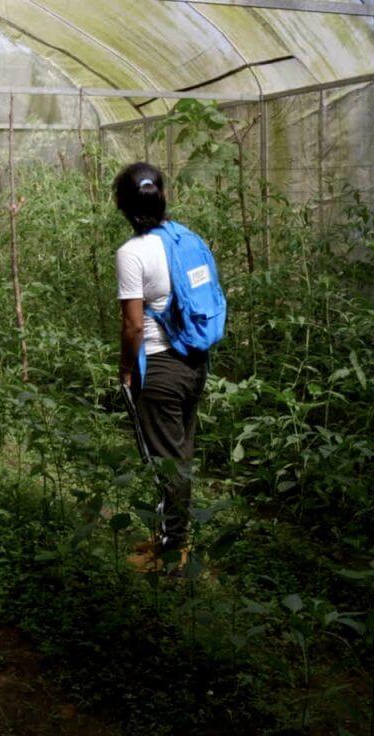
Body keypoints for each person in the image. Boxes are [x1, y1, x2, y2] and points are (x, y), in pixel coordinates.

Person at [114, 162, 210, 564]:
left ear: (121, 204)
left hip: (159, 368)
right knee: (180, 456)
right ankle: (172, 539)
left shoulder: (132, 254)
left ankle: (174, 551)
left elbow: (134, 326)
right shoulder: (187, 240)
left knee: (165, 462)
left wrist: (125, 370)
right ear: (163, 197)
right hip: (195, 361)